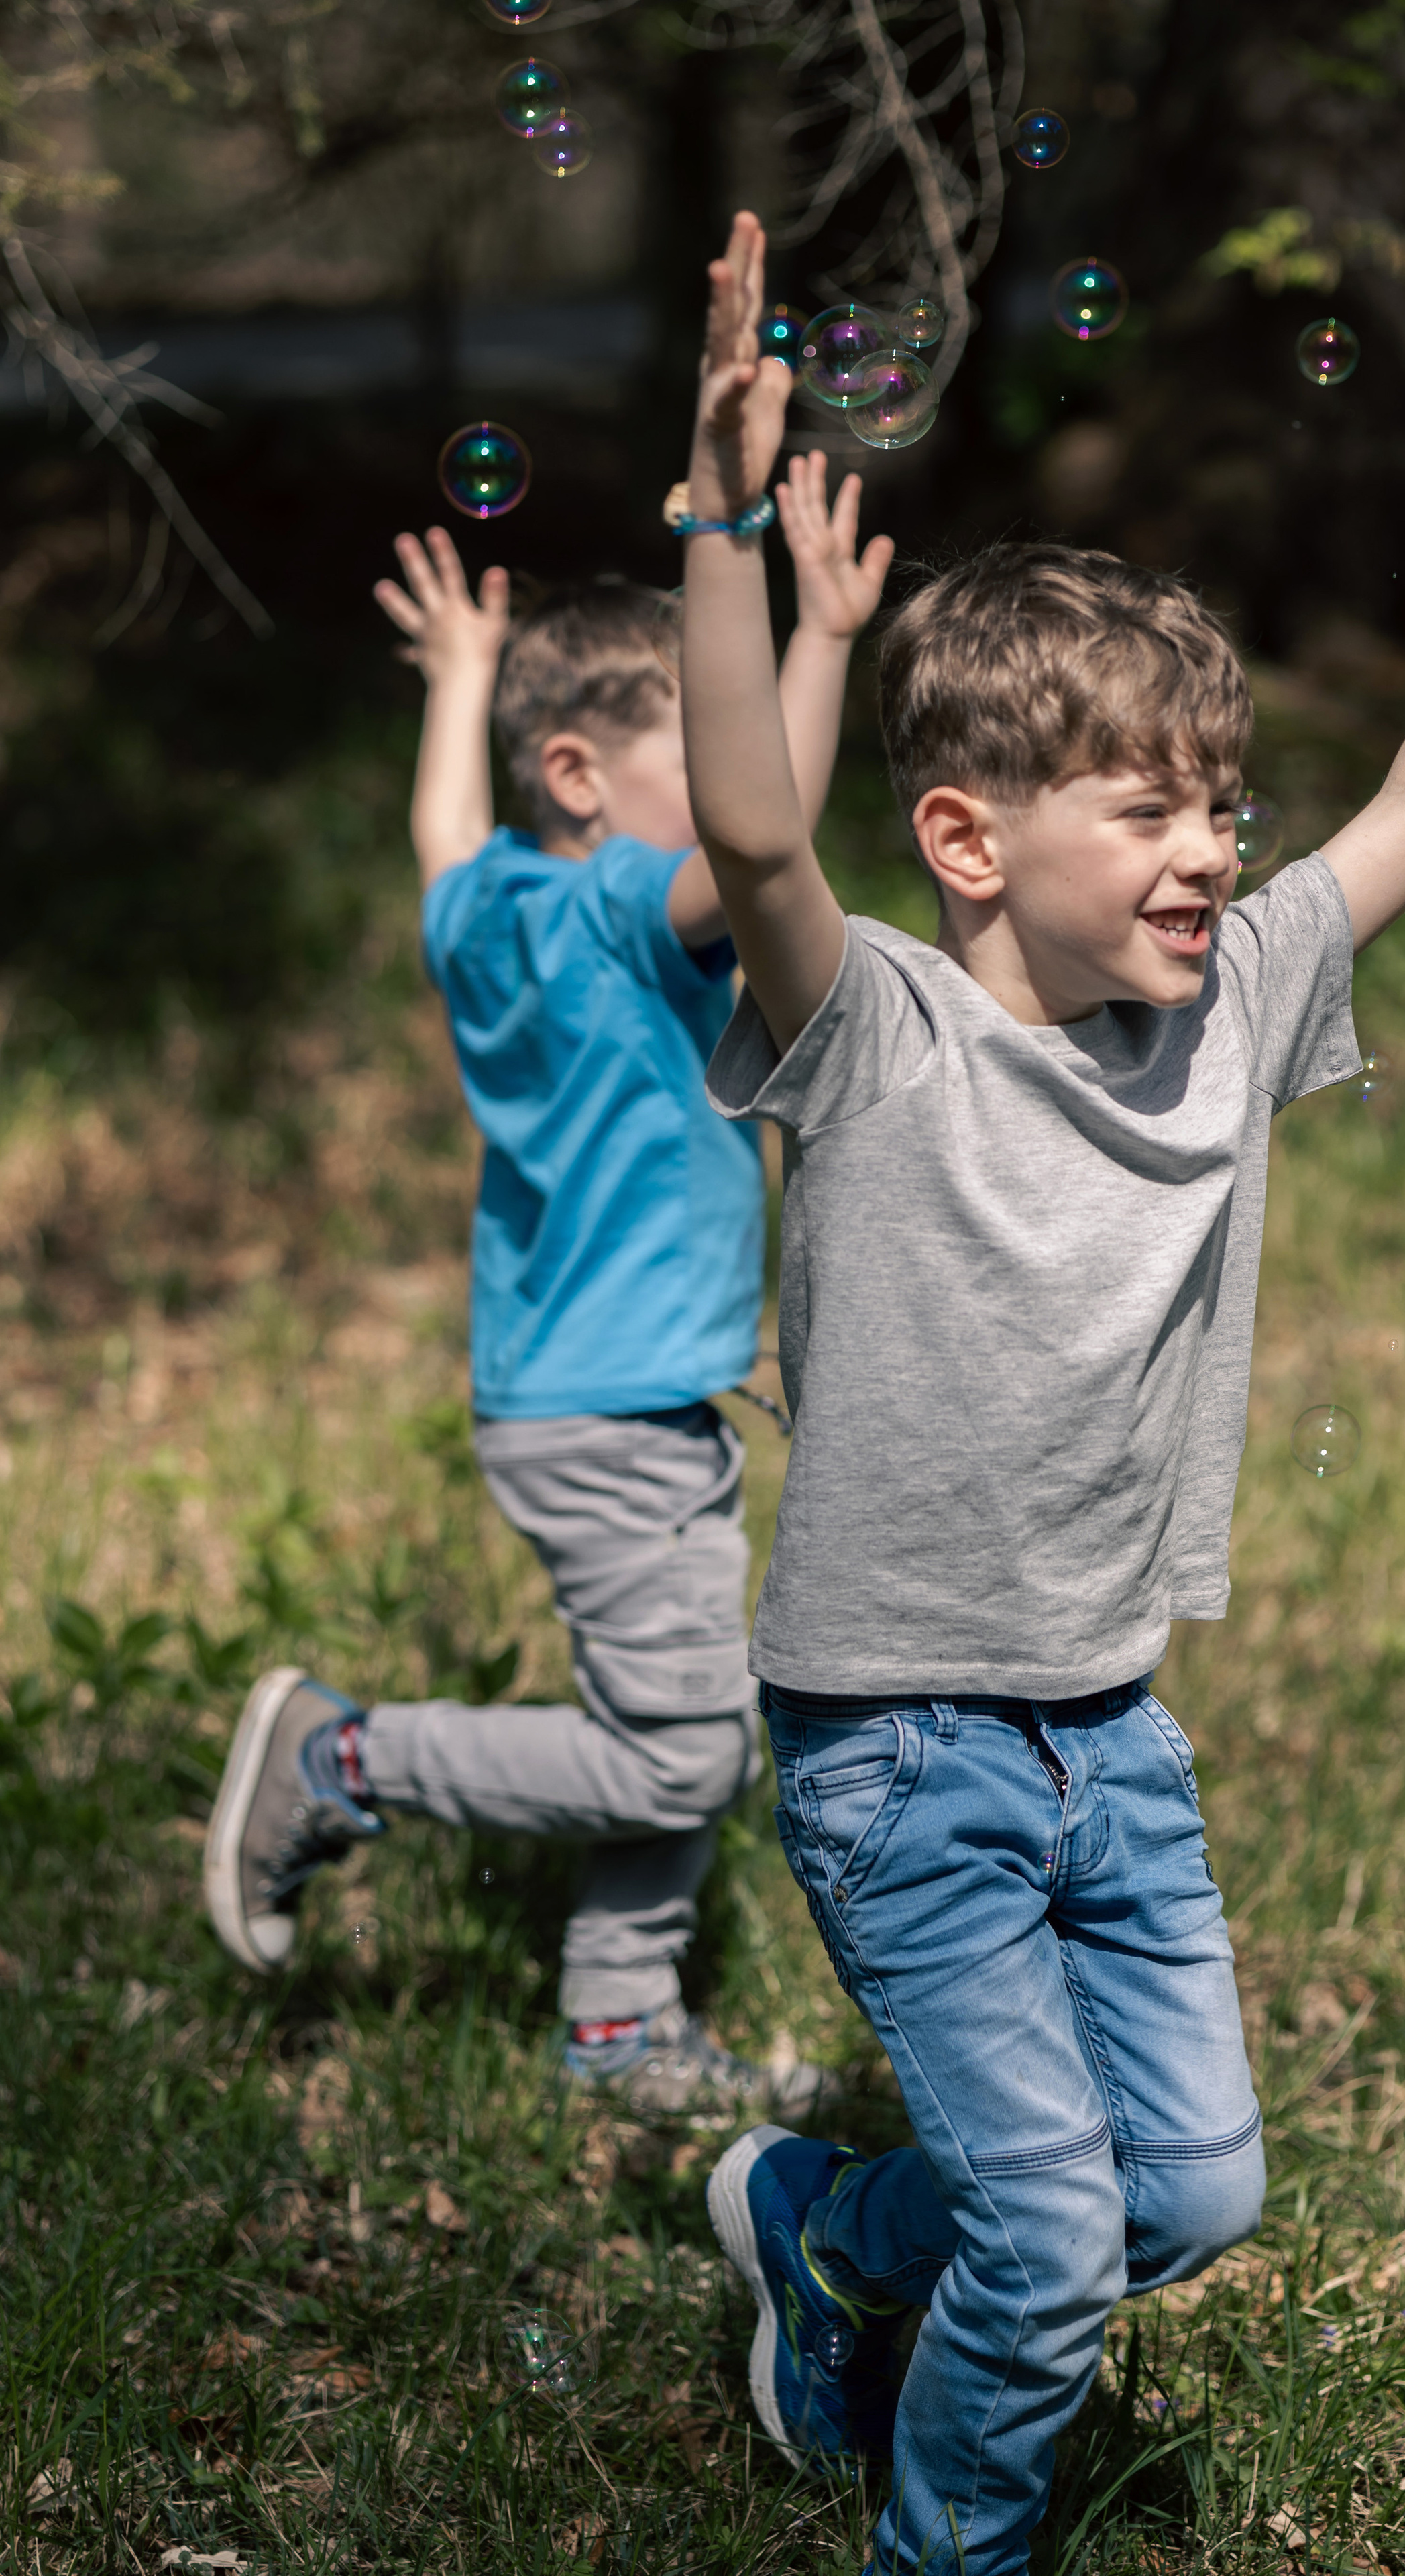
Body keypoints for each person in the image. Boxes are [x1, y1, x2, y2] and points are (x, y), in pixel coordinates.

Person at [679, 214, 1405, 2570]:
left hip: (1112, 1733)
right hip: (902, 1746)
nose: (1211, 844)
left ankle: (835, 2232)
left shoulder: (1233, 1007)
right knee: (1051, 2249)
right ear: (967, 839)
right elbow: (749, 827)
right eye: (1144, 807)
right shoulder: (875, 1041)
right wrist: (723, 528)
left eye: (1221, 800)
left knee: (1197, 2196)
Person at [202, 447, 895, 2116]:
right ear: (580, 774)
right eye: (693, 721)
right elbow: (761, 832)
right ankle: (342, 1756)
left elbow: (448, 828)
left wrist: (453, 684)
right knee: (689, 1746)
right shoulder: (611, 919)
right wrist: (816, 643)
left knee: (685, 1708)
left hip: (567, 1394)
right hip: (619, 1409)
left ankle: (617, 2022)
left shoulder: (488, 912)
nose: (722, 750)